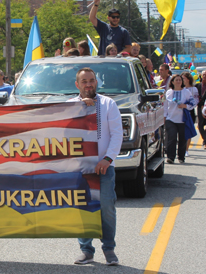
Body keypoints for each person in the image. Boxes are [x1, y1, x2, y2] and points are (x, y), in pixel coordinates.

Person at [66, 68, 122, 266]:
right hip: (80, 168)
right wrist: (78, 110)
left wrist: (107, 159)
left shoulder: (108, 104)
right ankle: (86, 251)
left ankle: (109, 249)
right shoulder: (68, 106)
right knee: (83, 208)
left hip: (103, 167)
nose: (88, 84)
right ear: (77, 84)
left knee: (106, 207)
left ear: (96, 82)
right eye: (84, 81)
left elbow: (117, 134)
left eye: (91, 80)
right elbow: (62, 133)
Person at [164, 75, 196, 164]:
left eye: (180, 80)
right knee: (172, 137)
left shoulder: (186, 92)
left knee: (182, 139)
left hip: (183, 119)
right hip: (170, 119)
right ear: (172, 82)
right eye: (176, 80)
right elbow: (165, 106)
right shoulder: (168, 92)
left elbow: (193, 103)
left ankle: (181, 157)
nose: (178, 81)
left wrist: (185, 106)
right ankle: (170, 157)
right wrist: (164, 117)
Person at [182, 72, 199, 157]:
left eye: (183, 78)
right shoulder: (179, 88)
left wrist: (188, 106)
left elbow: (196, 101)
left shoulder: (193, 89)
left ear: (188, 79)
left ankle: (186, 149)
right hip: (180, 111)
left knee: (188, 130)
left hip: (189, 111)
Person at [196, 70, 206, 149]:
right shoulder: (197, 86)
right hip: (200, 107)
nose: (204, 76)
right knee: (200, 125)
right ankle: (205, 138)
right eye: (203, 75)